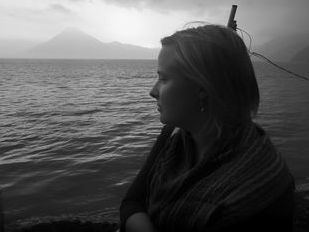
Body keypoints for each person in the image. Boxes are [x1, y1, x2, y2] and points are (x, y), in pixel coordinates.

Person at [119, 24, 295, 232]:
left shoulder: (257, 193)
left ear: (203, 87)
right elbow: (132, 202)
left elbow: (134, 208)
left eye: (164, 78)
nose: (152, 91)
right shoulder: (175, 135)